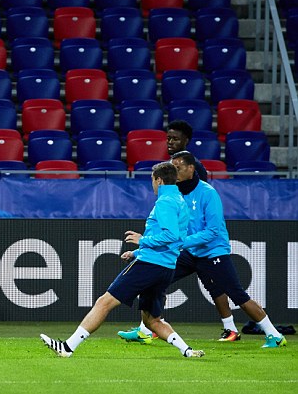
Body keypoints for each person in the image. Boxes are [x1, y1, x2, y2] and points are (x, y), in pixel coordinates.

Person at [40, 162, 204, 358]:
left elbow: (171, 235)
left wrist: (142, 240)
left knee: (104, 302)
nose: (151, 184)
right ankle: (187, 350)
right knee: (153, 320)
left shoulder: (165, 201)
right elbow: (177, 239)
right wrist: (136, 252)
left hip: (149, 265)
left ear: (159, 180)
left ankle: (67, 347)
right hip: (166, 267)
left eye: (152, 180)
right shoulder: (179, 200)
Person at [119, 121, 239, 342]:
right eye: (168, 138)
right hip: (185, 242)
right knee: (159, 280)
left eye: (175, 138)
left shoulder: (193, 168)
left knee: (216, 286)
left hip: (199, 241)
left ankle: (230, 327)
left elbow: (197, 201)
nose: (170, 142)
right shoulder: (171, 167)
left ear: (186, 141)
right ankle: (147, 329)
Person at [168, 151, 285, 348]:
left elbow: (213, 231)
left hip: (213, 252)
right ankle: (148, 329)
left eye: (178, 167)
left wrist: (183, 242)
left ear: (191, 169)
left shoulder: (208, 193)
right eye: (172, 168)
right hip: (191, 252)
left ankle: (274, 334)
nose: (174, 171)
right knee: (159, 278)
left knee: (237, 295)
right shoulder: (177, 193)